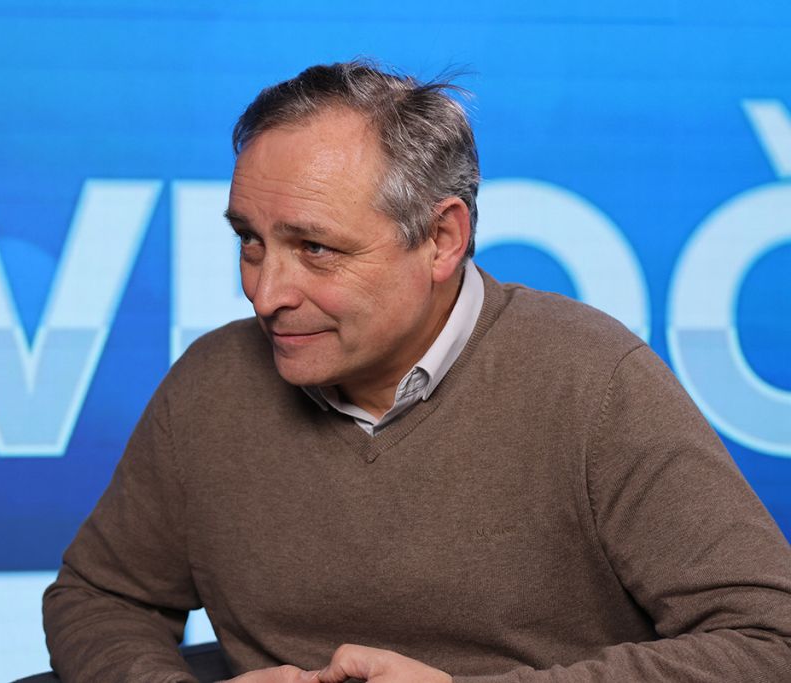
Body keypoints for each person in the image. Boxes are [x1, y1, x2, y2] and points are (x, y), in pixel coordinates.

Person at [43, 61, 791, 682]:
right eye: (251, 242)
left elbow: (771, 639)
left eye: (315, 249)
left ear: (441, 239)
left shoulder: (594, 382)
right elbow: (99, 597)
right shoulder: (211, 386)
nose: (266, 294)